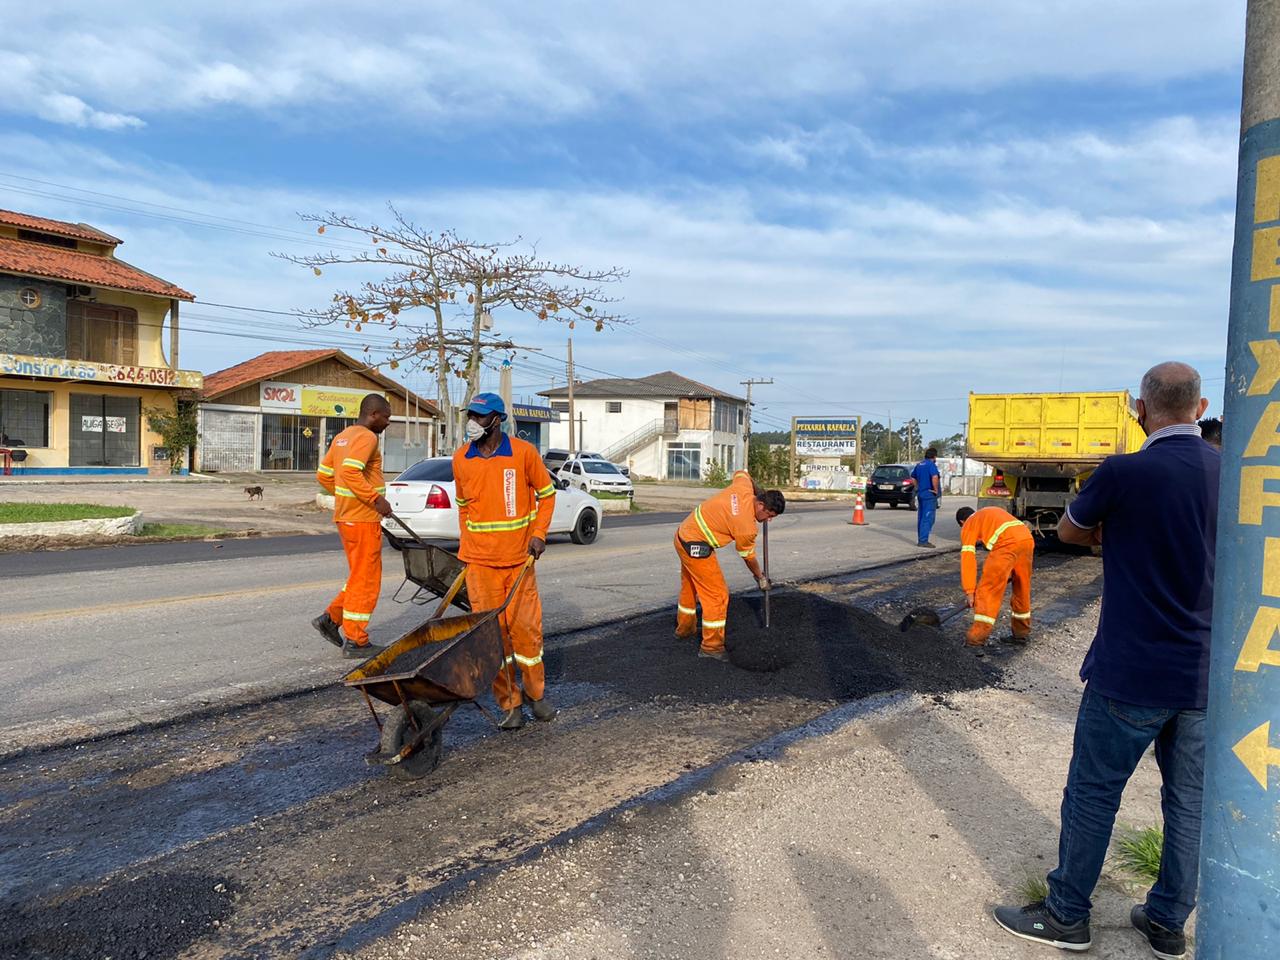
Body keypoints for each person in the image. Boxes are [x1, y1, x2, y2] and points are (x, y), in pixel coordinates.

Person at [992, 362, 1219, 959]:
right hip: (1205, 677)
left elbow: (1068, 532)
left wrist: (1112, 531)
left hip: (1130, 672)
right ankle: (1168, 921)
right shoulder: (1233, 474)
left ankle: (1068, 915)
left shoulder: (1124, 471)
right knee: (1188, 802)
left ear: (1139, 411)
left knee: (1094, 793)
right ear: (1200, 409)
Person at [453, 393, 558, 730]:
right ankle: (509, 705)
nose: (472, 422)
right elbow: (464, 508)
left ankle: (536, 695)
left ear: (496, 420)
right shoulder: (461, 459)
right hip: (480, 566)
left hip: (518, 562)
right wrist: (467, 552)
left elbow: (547, 495)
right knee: (492, 640)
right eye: (470, 415)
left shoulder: (523, 454)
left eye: (479, 417)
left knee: (526, 634)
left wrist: (539, 534)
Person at [312, 394, 393, 659]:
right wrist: (374, 499)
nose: (388, 422)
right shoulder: (368, 438)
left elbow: (324, 474)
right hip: (363, 518)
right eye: (386, 417)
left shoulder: (343, 436)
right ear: (373, 414)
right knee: (367, 580)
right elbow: (349, 472)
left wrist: (346, 496)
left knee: (359, 575)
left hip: (347, 517)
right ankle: (356, 640)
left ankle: (331, 619)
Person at [675, 470, 785, 660]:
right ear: (760, 504)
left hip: (682, 535)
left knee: (691, 585)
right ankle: (711, 647)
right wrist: (760, 578)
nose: (769, 520)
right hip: (696, 545)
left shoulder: (743, 487)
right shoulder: (746, 528)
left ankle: (685, 629)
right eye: (769, 514)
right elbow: (748, 557)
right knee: (717, 595)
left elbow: (742, 473)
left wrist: (756, 487)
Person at [954, 505, 1034, 647]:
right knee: (1022, 587)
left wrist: (970, 591)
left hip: (1007, 543)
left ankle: (975, 641)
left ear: (962, 522)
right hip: (1027, 539)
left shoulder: (969, 524)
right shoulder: (988, 513)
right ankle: (1021, 634)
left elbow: (968, 558)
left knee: (988, 591)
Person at [911, 447, 941, 547]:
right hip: (929, 494)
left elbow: (913, 477)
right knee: (928, 518)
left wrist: (917, 487)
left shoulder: (919, 465)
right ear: (934, 456)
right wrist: (936, 490)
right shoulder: (931, 465)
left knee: (921, 517)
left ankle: (921, 538)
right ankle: (923, 541)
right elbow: (935, 476)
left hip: (921, 494)